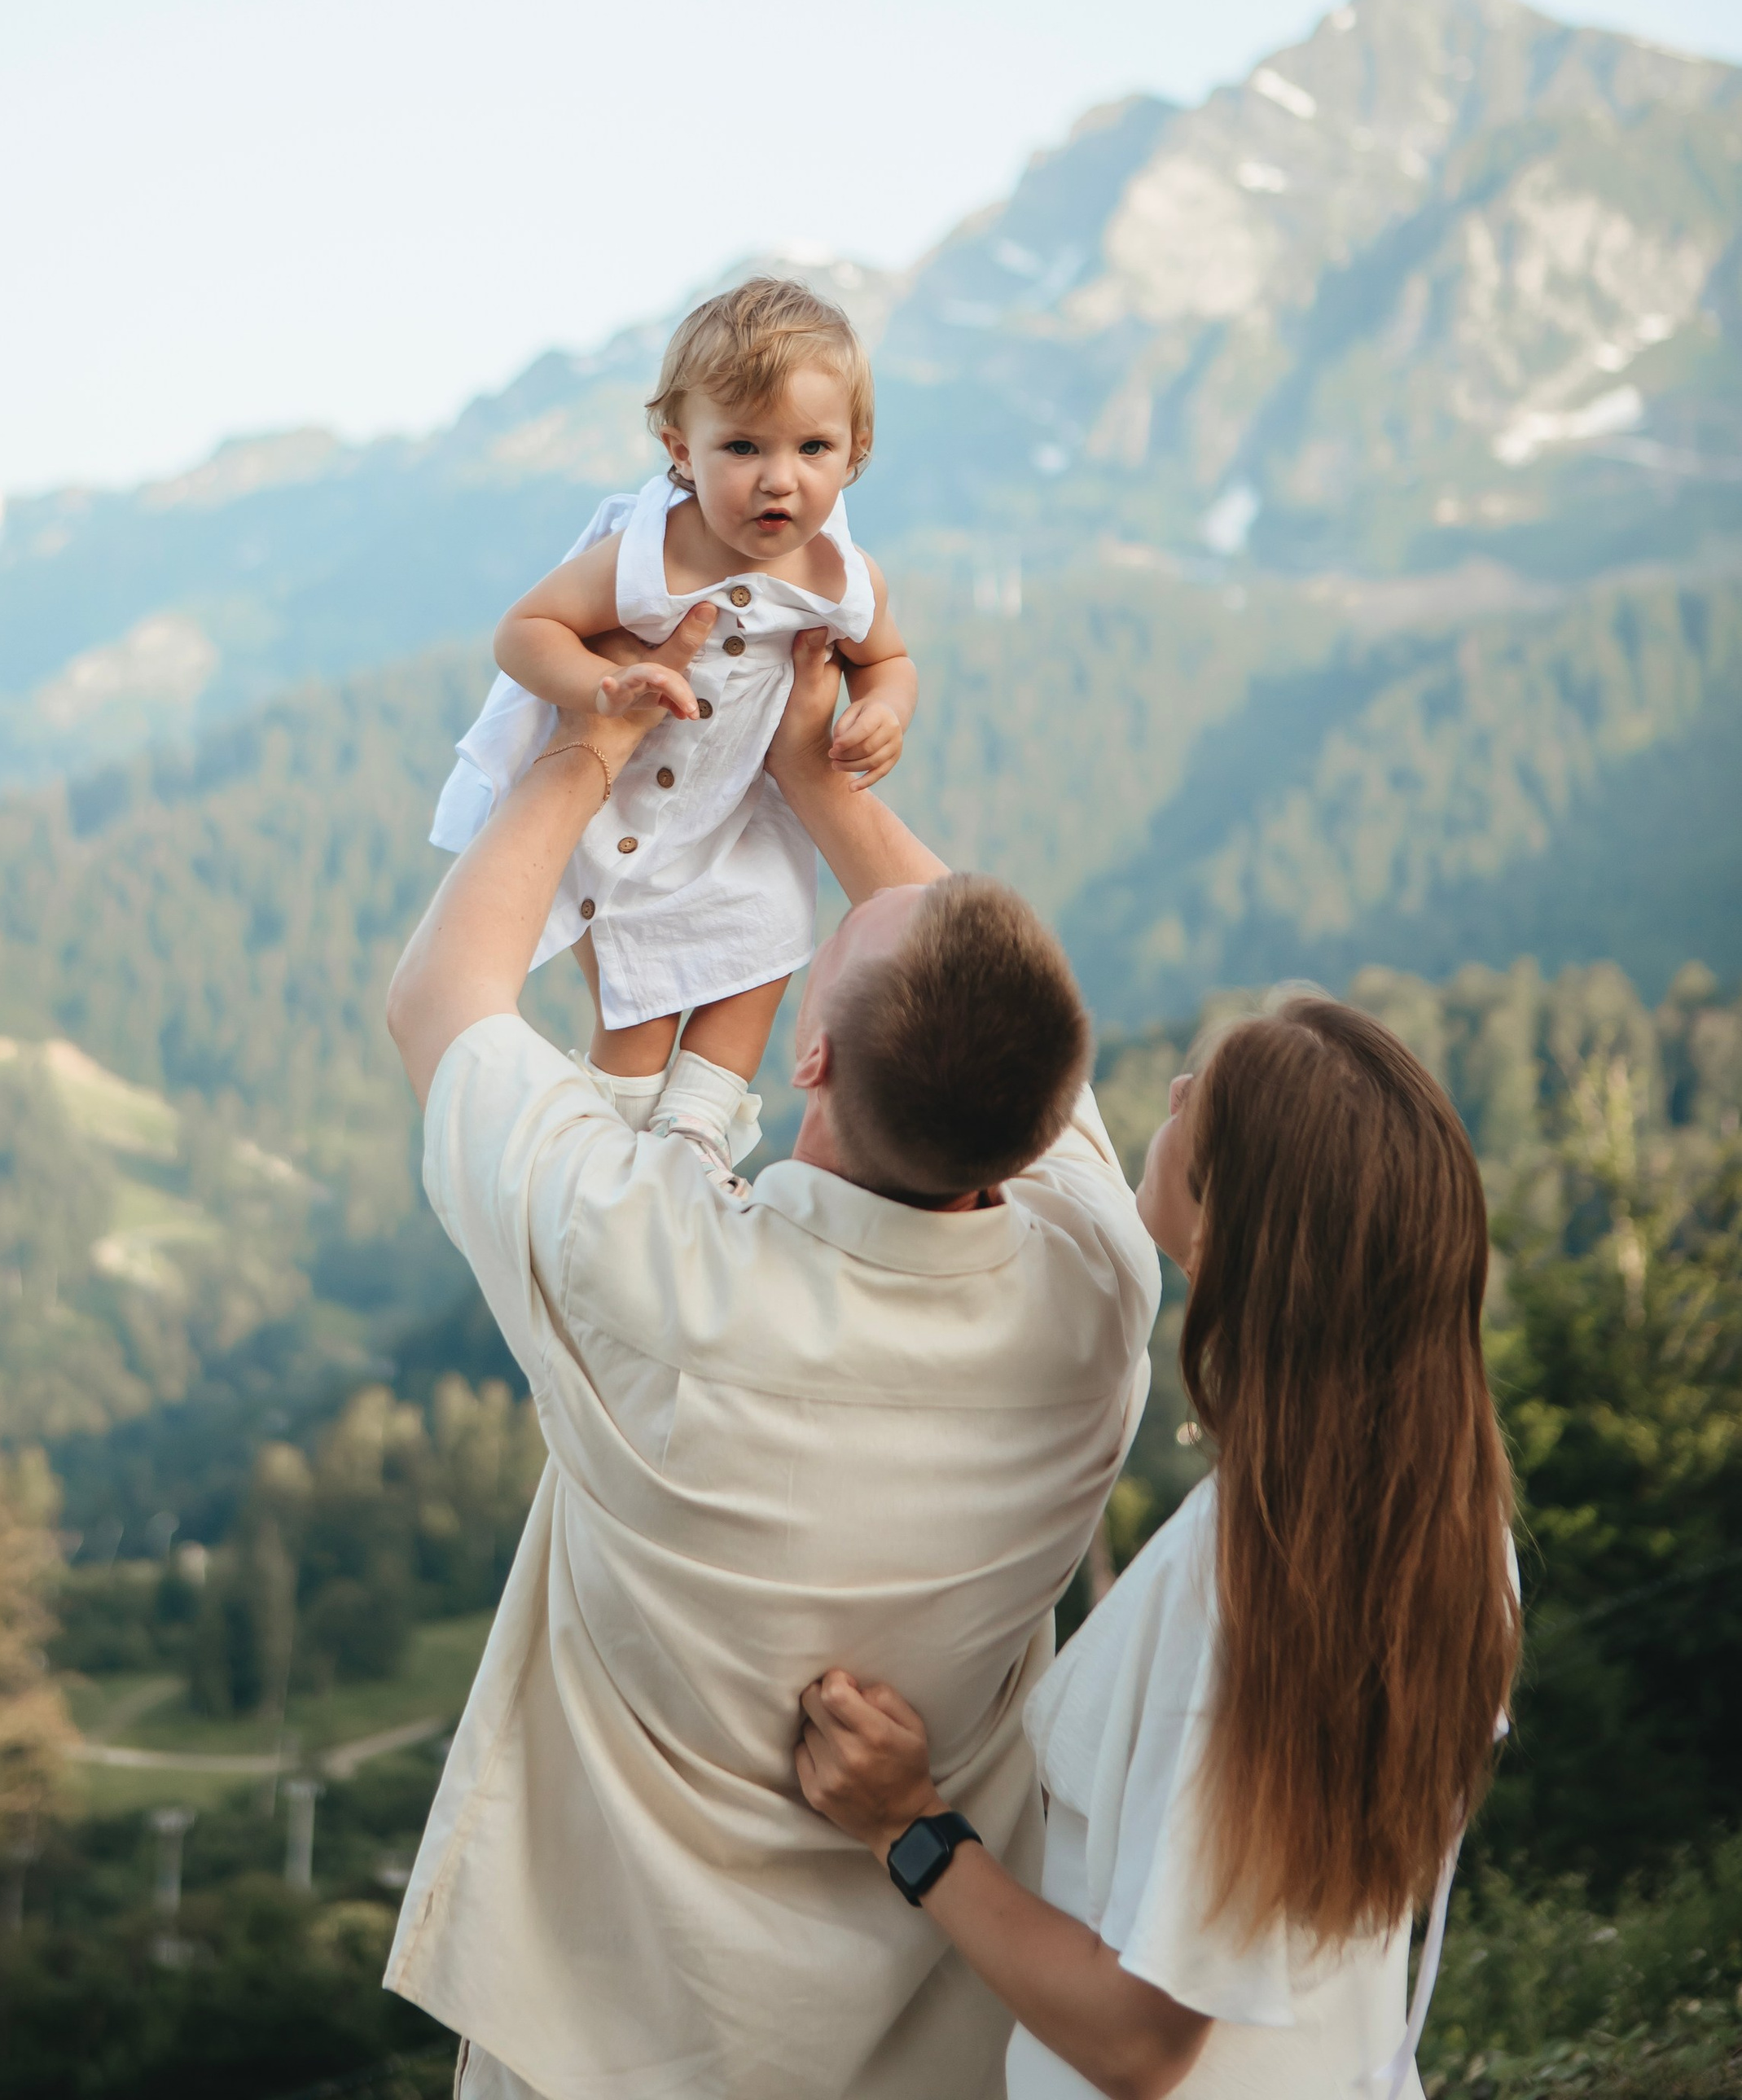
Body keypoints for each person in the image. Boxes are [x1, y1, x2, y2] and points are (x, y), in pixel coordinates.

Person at [384, 625, 1160, 2100]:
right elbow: (960, 959)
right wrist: (819, 783)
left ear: (809, 1059)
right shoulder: (1099, 1291)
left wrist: (590, 745)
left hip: (611, 2035)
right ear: (1051, 1113)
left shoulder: (661, 1283)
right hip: (935, 2034)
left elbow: (442, 1001)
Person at [795, 996, 1522, 2100]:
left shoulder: (1240, 1594)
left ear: (1238, 1231)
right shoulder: (1453, 1533)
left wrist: (910, 1826)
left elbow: (1141, 2043)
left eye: (1204, 1104)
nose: (1173, 1094)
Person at [428, 275, 916, 1182]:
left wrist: (881, 711)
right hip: (629, 818)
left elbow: (886, 660)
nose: (780, 477)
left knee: (762, 950)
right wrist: (604, 683)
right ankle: (612, 1151)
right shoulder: (649, 555)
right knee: (644, 1002)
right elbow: (524, 632)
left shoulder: (844, 576)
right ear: (678, 450)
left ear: (855, 453)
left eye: (813, 447)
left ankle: (694, 1137)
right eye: (742, 446)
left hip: (741, 809)